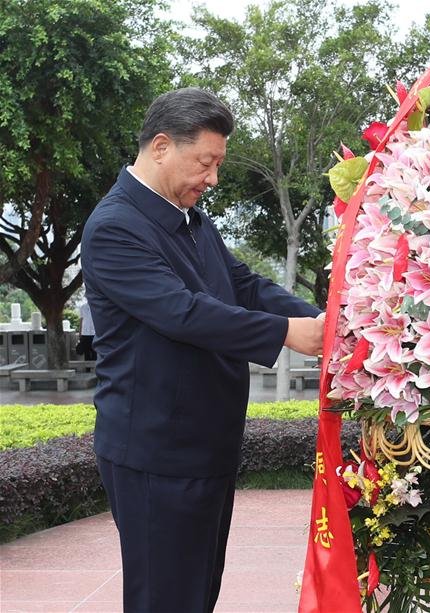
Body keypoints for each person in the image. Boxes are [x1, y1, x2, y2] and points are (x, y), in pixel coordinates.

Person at [81, 87, 324, 612]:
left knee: (196, 593)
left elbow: (242, 284)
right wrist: (286, 333)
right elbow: (182, 312)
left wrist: (321, 320)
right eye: (205, 162)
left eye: (217, 164)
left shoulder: (189, 218)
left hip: (205, 442)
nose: (212, 179)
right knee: (164, 598)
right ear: (161, 146)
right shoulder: (115, 227)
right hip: (157, 451)